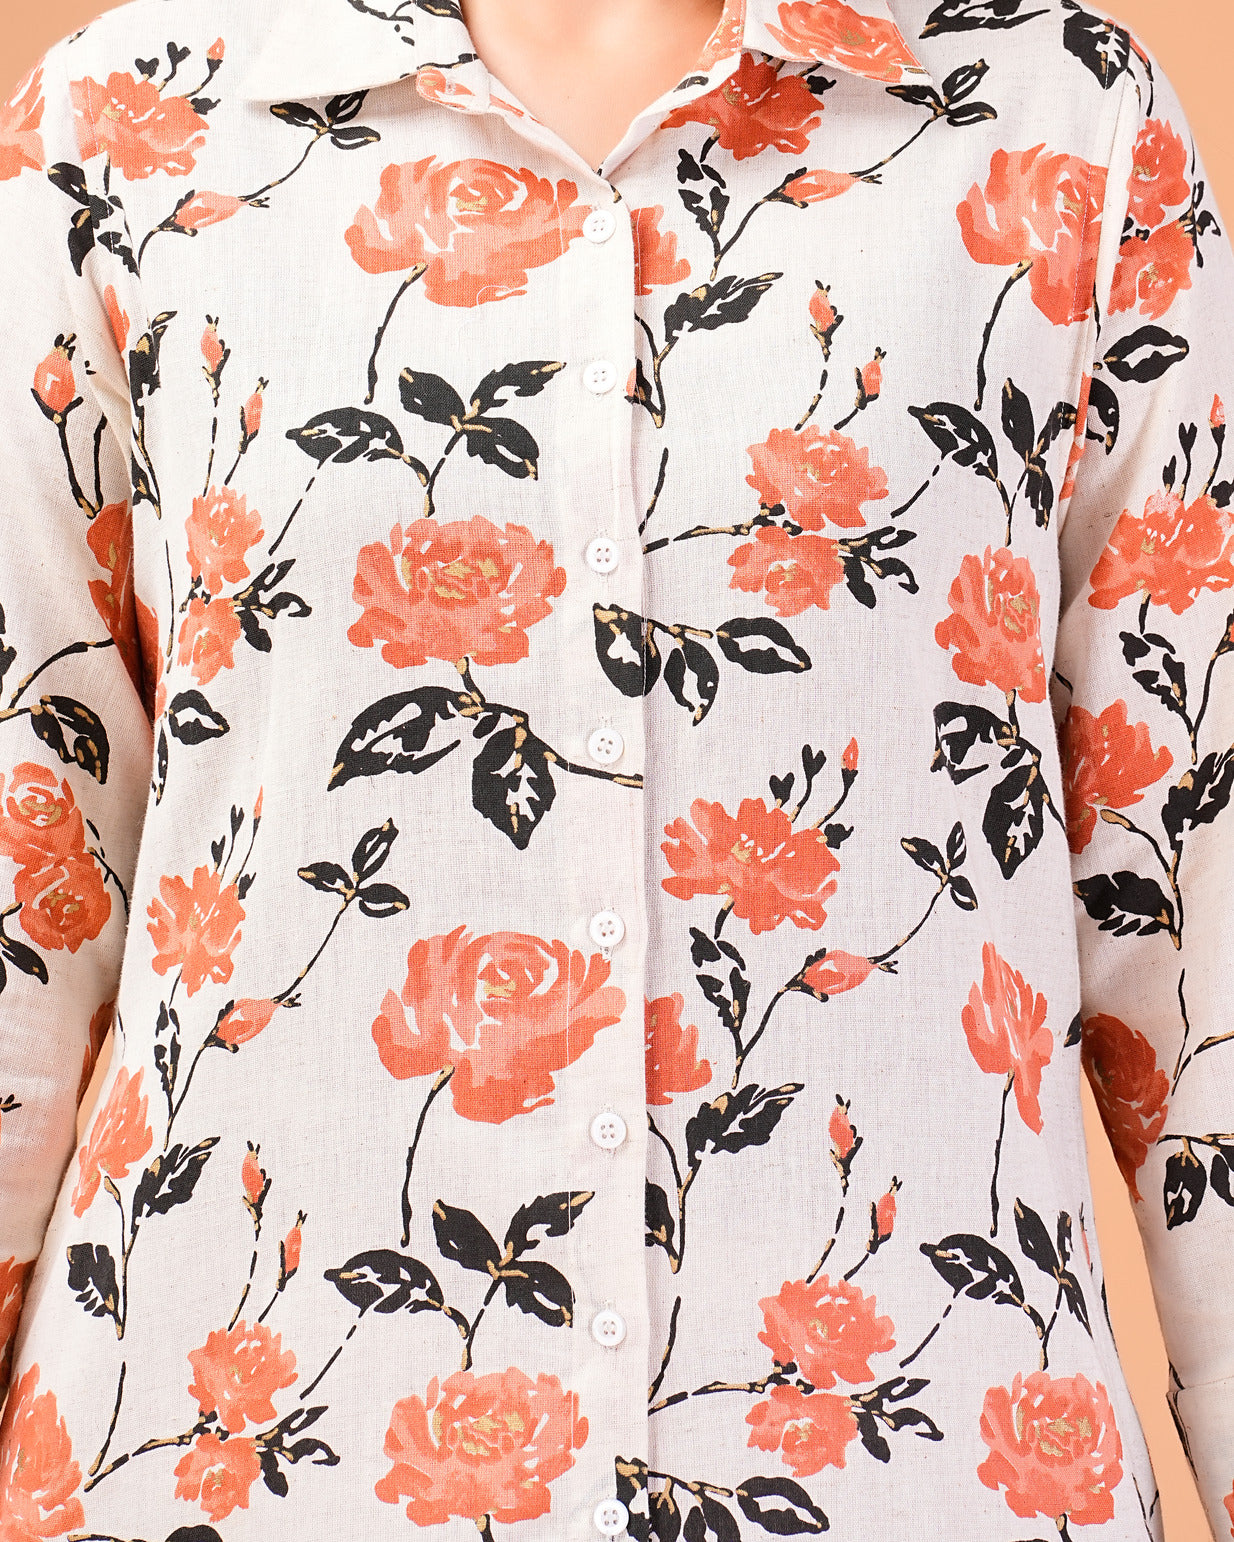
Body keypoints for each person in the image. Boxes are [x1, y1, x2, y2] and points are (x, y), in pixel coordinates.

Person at [0, 0, 1229, 1537]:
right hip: (224, 1469)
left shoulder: (1064, 120)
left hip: (919, 1477)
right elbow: (26, 854)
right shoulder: (127, 130)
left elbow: (1199, 891)